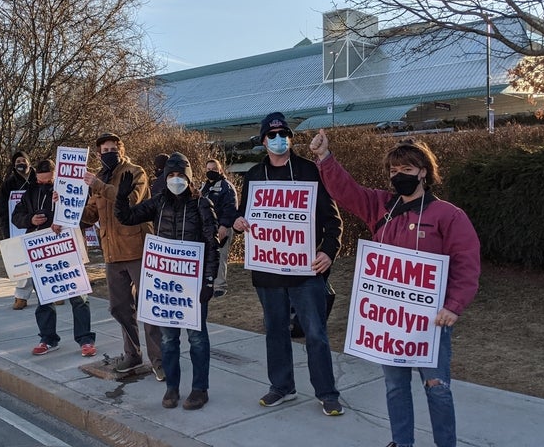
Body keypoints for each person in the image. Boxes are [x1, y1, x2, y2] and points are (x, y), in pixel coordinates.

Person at [309, 129, 480, 447]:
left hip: (431, 320)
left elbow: (466, 265)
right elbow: (346, 192)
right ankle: (402, 442)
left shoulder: (449, 216)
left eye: (407, 170)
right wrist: (325, 158)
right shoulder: (380, 206)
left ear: (424, 172)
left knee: (437, 386)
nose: (399, 175)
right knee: (395, 386)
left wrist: (453, 305)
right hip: (389, 320)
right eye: (394, 170)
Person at [232, 112, 344, 416]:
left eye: (284, 134)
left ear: (290, 138)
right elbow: (242, 214)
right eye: (272, 135)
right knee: (275, 330)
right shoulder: (253, 176)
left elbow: (332, 220)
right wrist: (238, 221)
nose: (278, 139)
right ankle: (281, 387)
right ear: (263, 140)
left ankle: (327, 392)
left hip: (306, 271)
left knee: (316, 333)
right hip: (267, 270)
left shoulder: (310, 171)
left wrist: (329, 251)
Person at [114, 152, 220, 410]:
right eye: (170, 175)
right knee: (169, 339)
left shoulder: (201, 205)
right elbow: (127, 217)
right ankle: (172, 387)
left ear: (189, 177)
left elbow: (212, 245)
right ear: (164, 178)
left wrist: (208, 281)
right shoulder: (158, 203)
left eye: (180, 175)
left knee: (197, 338)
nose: (175, 180)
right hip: (166, 285)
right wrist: (121, 196)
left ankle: (199, 389)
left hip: (193, 284)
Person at [81, 132, 164, 380]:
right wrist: (65, 206)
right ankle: (132, 354)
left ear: (121, 149)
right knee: (119, 308)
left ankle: (159, 360)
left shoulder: (135, 172)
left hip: (137, 248)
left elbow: (130, 200)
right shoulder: (99, 179)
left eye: (112, 148)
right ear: (98, 154)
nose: (109, 153)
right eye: (104, 150)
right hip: (111, 252)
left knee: (148, 307)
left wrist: (97, 185)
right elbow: (91, 214)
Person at [12, 159, 96, 357]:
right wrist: (30, 220)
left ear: (56, 177)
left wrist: (63, 217)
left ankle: (85, 340)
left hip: (68, 249)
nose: (43, 185)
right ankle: (48, 339)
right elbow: (17, 216)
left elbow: (86, 218)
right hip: (42, 252)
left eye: (48, 182)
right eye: (40, 182)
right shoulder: (30, 192)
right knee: (44, 298)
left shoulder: (70, 191)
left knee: (79, 297)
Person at [0, 151, 37, 310]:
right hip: (18, 229)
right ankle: (21, 296)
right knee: (23, 264)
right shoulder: (8, 184)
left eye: (24, 160)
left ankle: (52, 294)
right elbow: (3, 210)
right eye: (18, 161)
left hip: (41, 226)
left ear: (29, 162)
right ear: (14, 165)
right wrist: (7, 232)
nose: (21, 163)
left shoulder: (39, 179)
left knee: (44, 261)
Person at [200, 158, 238, 297]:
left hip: (222, 227)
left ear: (220, 170)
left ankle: (220, 286)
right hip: (207, 228)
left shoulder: (226, 187)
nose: (211, 172)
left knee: (221, 256)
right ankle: (208, 283)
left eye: (214, 169)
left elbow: (230, 208)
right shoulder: (205, 187)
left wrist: (224, 226)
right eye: (208, 169)